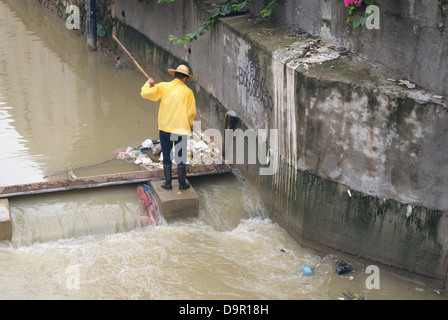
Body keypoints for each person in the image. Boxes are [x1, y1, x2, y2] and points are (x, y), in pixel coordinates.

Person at [140, 64, 196, 190]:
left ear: (174, 75)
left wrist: (148, 83)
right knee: (181, 157)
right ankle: (182, 183)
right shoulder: (188, 92)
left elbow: (145, 93)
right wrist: (190, 126)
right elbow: (191, 113)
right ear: (186, 78)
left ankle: (168, 183)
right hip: (181, 129)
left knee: (167, 156)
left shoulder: (163, 87)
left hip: (165, 129)